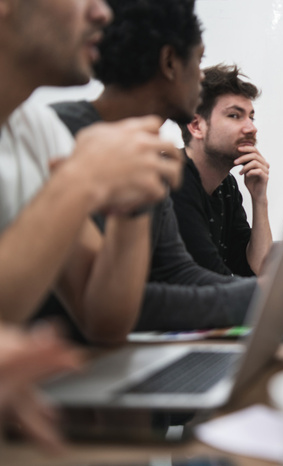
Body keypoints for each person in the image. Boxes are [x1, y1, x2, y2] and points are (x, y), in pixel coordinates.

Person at [0, 0, 183, 449]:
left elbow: (104, 319)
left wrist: (131, 207)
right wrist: (82, 179)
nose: (103, 13)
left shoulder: (36, 128)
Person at [42, 0, 257, 340]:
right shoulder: (60, 133)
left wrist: (269, 294)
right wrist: (262, 297)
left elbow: (177, 270)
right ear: (170, 62)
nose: (200, 78)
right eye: (198, 61)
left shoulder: (149, 153)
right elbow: (118, 302)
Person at [175, 64, 272, 276]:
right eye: (235, 116)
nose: (251, 128)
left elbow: (259, 269)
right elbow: (205, 276)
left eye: (251, 117)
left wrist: (259, 198)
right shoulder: (173, 178)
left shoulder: (226, 185)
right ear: (196, 125)